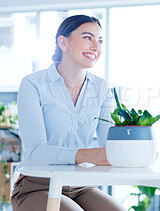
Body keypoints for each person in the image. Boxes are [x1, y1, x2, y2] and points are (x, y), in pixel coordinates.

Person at [12, 15, 125, 211]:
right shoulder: (33, 84)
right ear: (63, 42)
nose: (96, 47)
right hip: (38, 185)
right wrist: (88, 155)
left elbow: (110, 148)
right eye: (88, 38)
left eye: (99, 41)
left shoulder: (102, 88)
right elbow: (36, 151)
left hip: (81, 186)